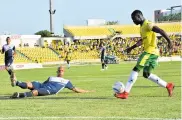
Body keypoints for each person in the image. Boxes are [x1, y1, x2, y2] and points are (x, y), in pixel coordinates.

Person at [115, 10, 174, 99]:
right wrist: (131, 48)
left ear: (139, 16)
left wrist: (169, 41)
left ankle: (125, 93)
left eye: (134, 19)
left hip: (150, 52)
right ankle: (168, 85)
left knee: (136, 69)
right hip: (154, 54)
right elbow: (142, 40)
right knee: (146, 74)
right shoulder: (142, 27)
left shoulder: (147, 24)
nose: (133, 21)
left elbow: (160, 30)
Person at [10, 66, 93, 98]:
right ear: (57, 71)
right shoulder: (51, 77)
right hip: (43, 85)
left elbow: (75, 89)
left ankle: (19, 95)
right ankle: (16, 83)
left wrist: (87, 91)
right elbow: (44, 83)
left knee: (35, 91)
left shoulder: (66, 81)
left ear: (64, 72)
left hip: (50, 89)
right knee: (30, 84)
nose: (60, 71)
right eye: (59, 70)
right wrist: (34, 84)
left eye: (62, 70)